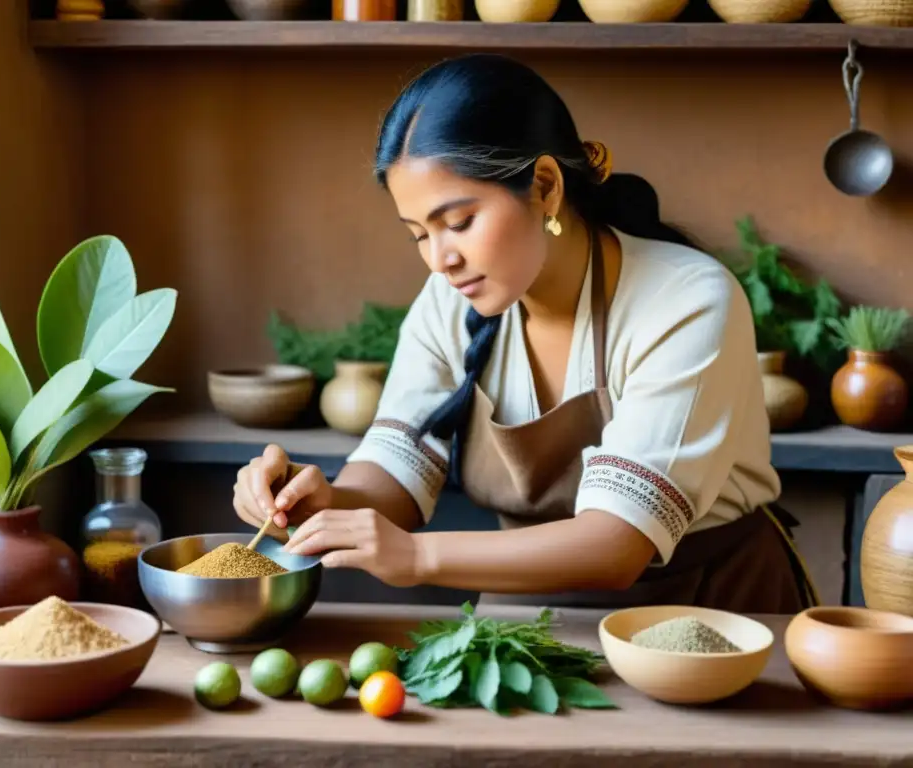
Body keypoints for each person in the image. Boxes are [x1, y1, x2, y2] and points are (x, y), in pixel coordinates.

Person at [233, 53, 818, 613]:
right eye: (418, 233)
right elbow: (398, 467)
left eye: (458, 222)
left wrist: (415, 556)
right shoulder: (448, 301)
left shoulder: (686, 299)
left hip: (707, 611)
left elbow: (616, 546)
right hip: (525, 613)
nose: (440, 260)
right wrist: (323, 502)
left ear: (544, 186)